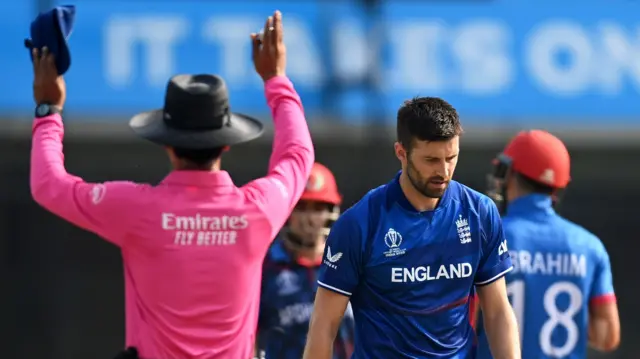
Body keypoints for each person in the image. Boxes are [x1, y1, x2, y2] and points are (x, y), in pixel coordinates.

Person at [29, 10, 315, 359]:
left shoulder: (135, 208)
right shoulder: (258, 210)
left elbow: (48, 185)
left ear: (166, 142)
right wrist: (276, 79)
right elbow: (297, 155)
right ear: (226, 142)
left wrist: (48, 110)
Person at [303, 97, 521, 359]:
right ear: (401, 153)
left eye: (451, 157)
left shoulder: (479, 213)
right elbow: (324, 325)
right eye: (431, 160)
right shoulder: (360, 223)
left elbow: (497, 312)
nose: (443, 171)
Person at [476, 130, 620, 359]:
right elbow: (606, 336)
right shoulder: (590, 246)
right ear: (558, 186)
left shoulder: (488, 237)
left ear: (509, 173)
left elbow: (464, 323)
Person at [257, 162, 355, 359]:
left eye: (318, 208)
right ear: (288, 212)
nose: (310, 219)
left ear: (331, 211)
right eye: (301, 208)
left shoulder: (352, 264)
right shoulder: (264, 268)